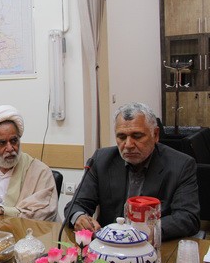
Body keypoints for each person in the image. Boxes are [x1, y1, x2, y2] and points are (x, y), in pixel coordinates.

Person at [65, 102, 200, 241]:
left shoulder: (181, 165)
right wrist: (79, 217)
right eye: (122, 137)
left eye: (137, 136)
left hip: (153, 246)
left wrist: (148, 231)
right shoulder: (101, 160)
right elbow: (76, 205)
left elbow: (188, 217)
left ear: (155, 134)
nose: (128, 145)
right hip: (108, 247)